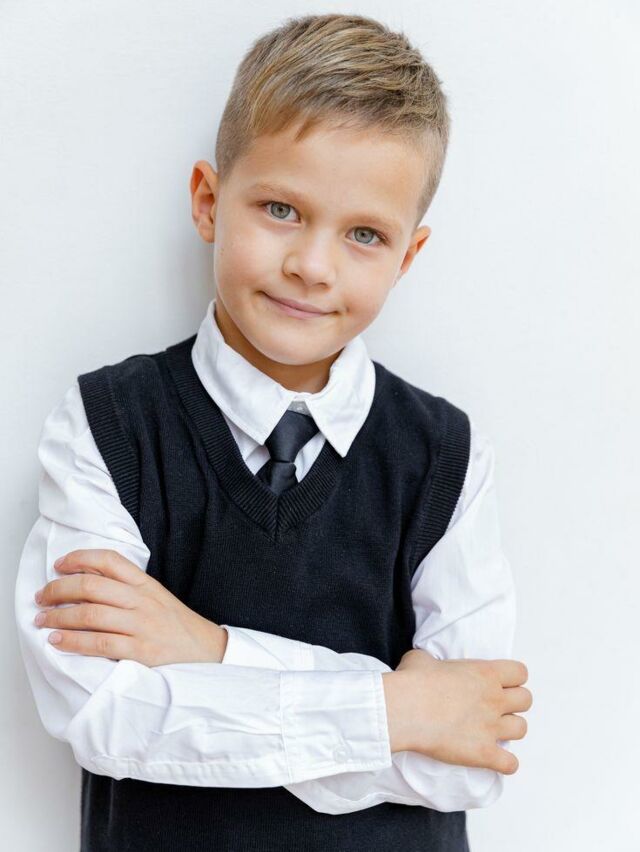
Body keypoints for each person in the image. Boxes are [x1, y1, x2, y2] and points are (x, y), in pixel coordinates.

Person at [14, 12, 532, 852]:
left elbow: (466, 758)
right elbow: (105, 713)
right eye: (282, 209)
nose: (313, 266)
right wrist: (399, 711)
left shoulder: (446, 456)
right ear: (208, 201)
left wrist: (211, 652)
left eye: (364, 234)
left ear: (407, 257)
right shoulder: (106, 426)